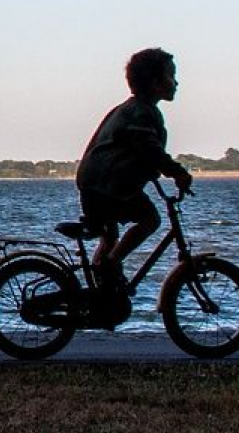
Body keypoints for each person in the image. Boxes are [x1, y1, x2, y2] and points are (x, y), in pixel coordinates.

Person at [75, 47, 193, 291]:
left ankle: (103, 290)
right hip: (109, 187)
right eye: (171, 76)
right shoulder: (142, 112)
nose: (176, 82)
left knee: (109, 238)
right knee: (150, 219)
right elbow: (149, 149)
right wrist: (177, 172)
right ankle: (110, 265)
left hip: (95, 185)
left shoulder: (127, 109)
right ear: (154, 82)